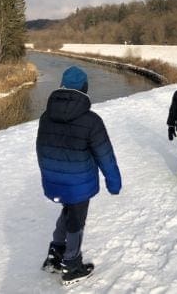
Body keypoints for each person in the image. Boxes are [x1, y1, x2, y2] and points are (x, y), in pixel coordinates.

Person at [36, 66, 122, 286]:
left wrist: (48, 175)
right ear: (84, 88)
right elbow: (105, 154)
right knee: (76, 221)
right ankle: (71, 265)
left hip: (55, 181)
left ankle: (54, 256)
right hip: (78, 183)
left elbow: (41, 148)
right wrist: (114, 182)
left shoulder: (46, 116)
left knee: (67, 212)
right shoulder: (91, 120)